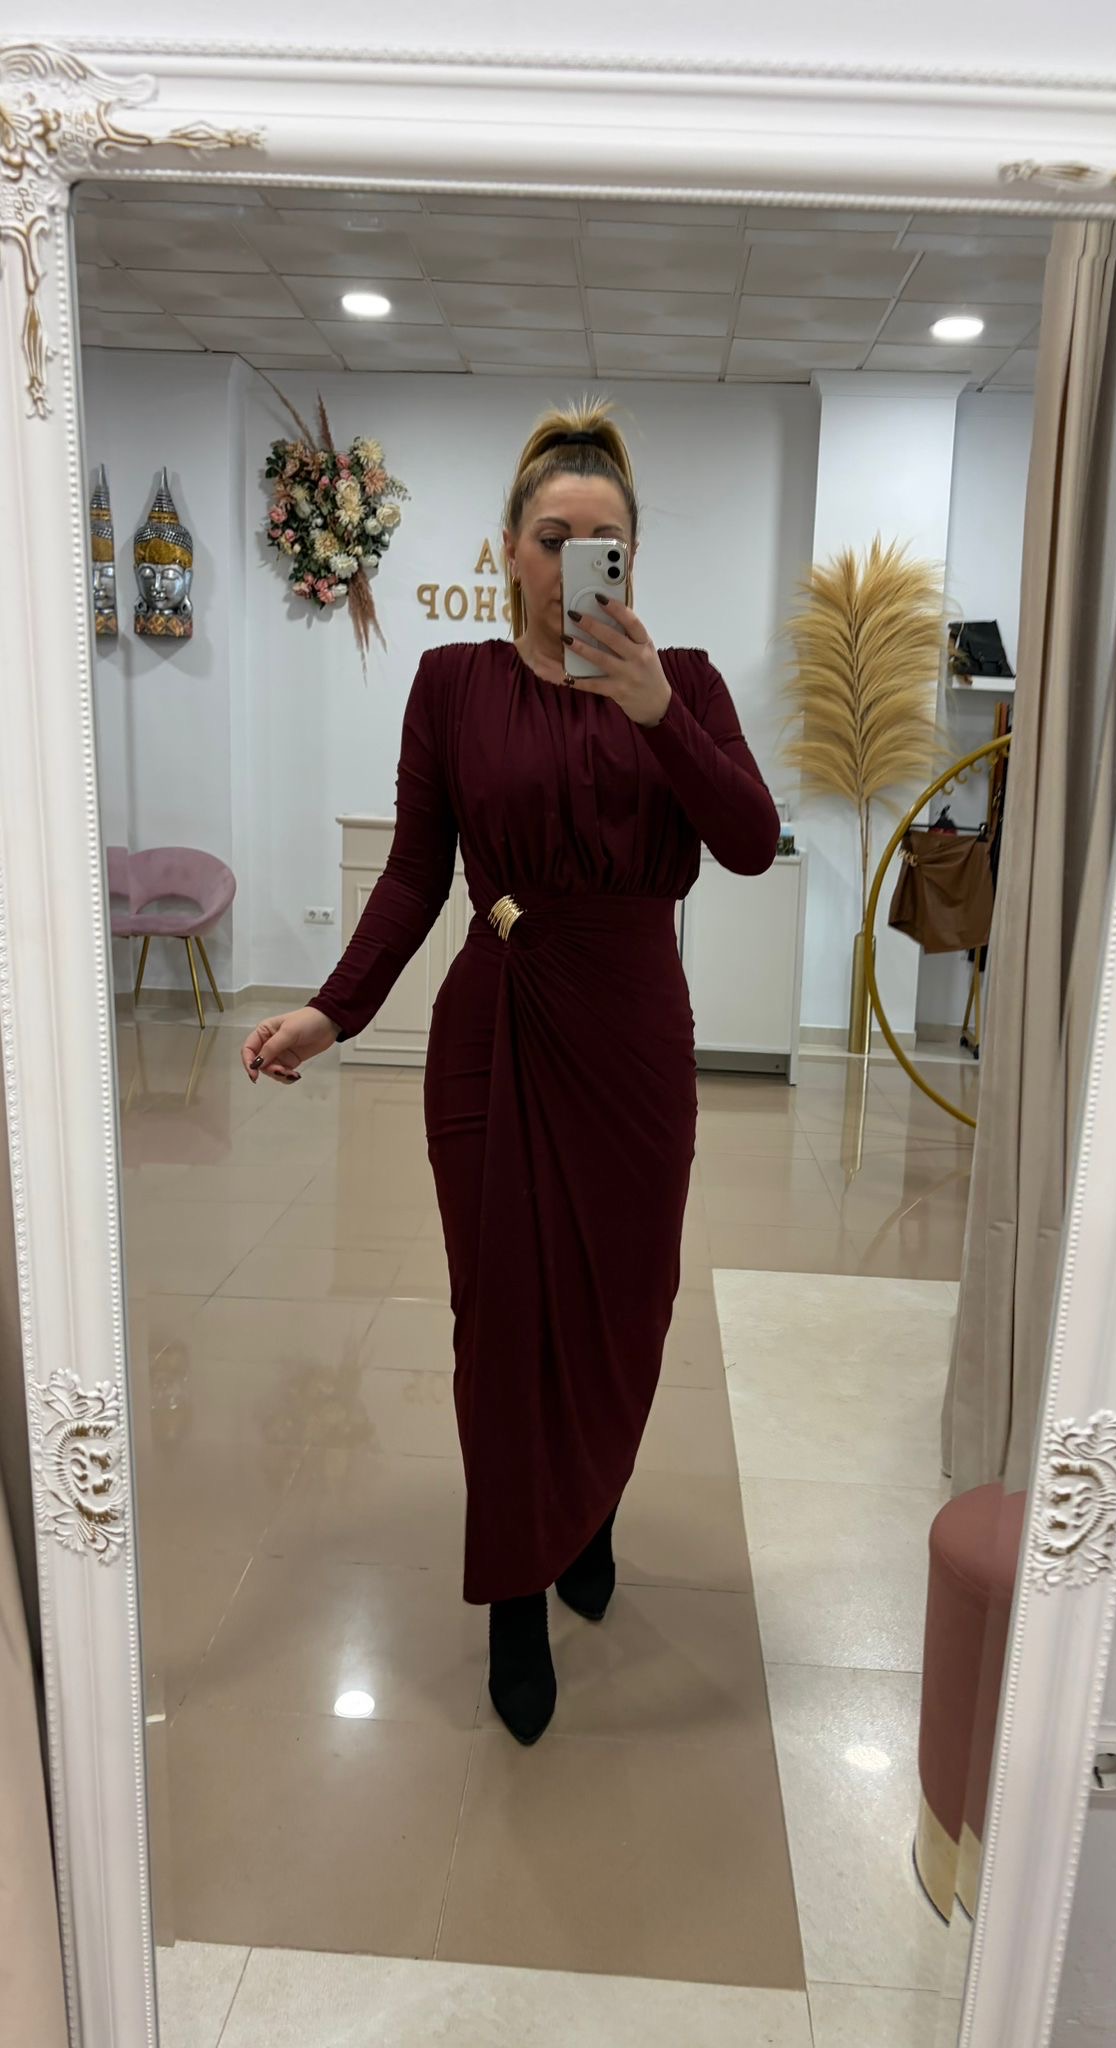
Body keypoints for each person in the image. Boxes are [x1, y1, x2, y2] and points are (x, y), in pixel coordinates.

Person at [241, 400, 780, 1745]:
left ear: (632, 558)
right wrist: (332, 1012)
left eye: (604, 542)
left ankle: (588, 1508)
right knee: (502, 1321)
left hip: (635, 1036)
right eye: (551, 537)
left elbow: (749, 841)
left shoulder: (687, 684)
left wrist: (659, 715)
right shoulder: (452, 683)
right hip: (495, 1027)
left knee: (625, 1306)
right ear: (508, 550)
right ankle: (516, 1596)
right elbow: (417, 874)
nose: (572, 561)